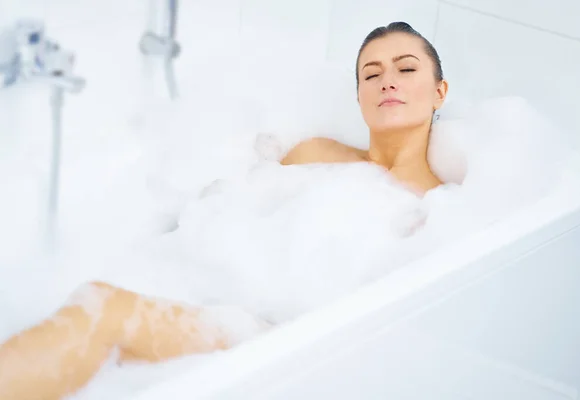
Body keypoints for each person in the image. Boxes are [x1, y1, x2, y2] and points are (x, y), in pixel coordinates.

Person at [0, 21, 448, 399]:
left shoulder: (439, 207)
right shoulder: (314, 152)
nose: (387, 81)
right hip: (208, 287)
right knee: (95, 299)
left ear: (439, 92)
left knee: (103, 307)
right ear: (358, 96)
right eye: (371, 75)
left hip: (282, 337)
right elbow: (228, 211)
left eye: (406, 69)